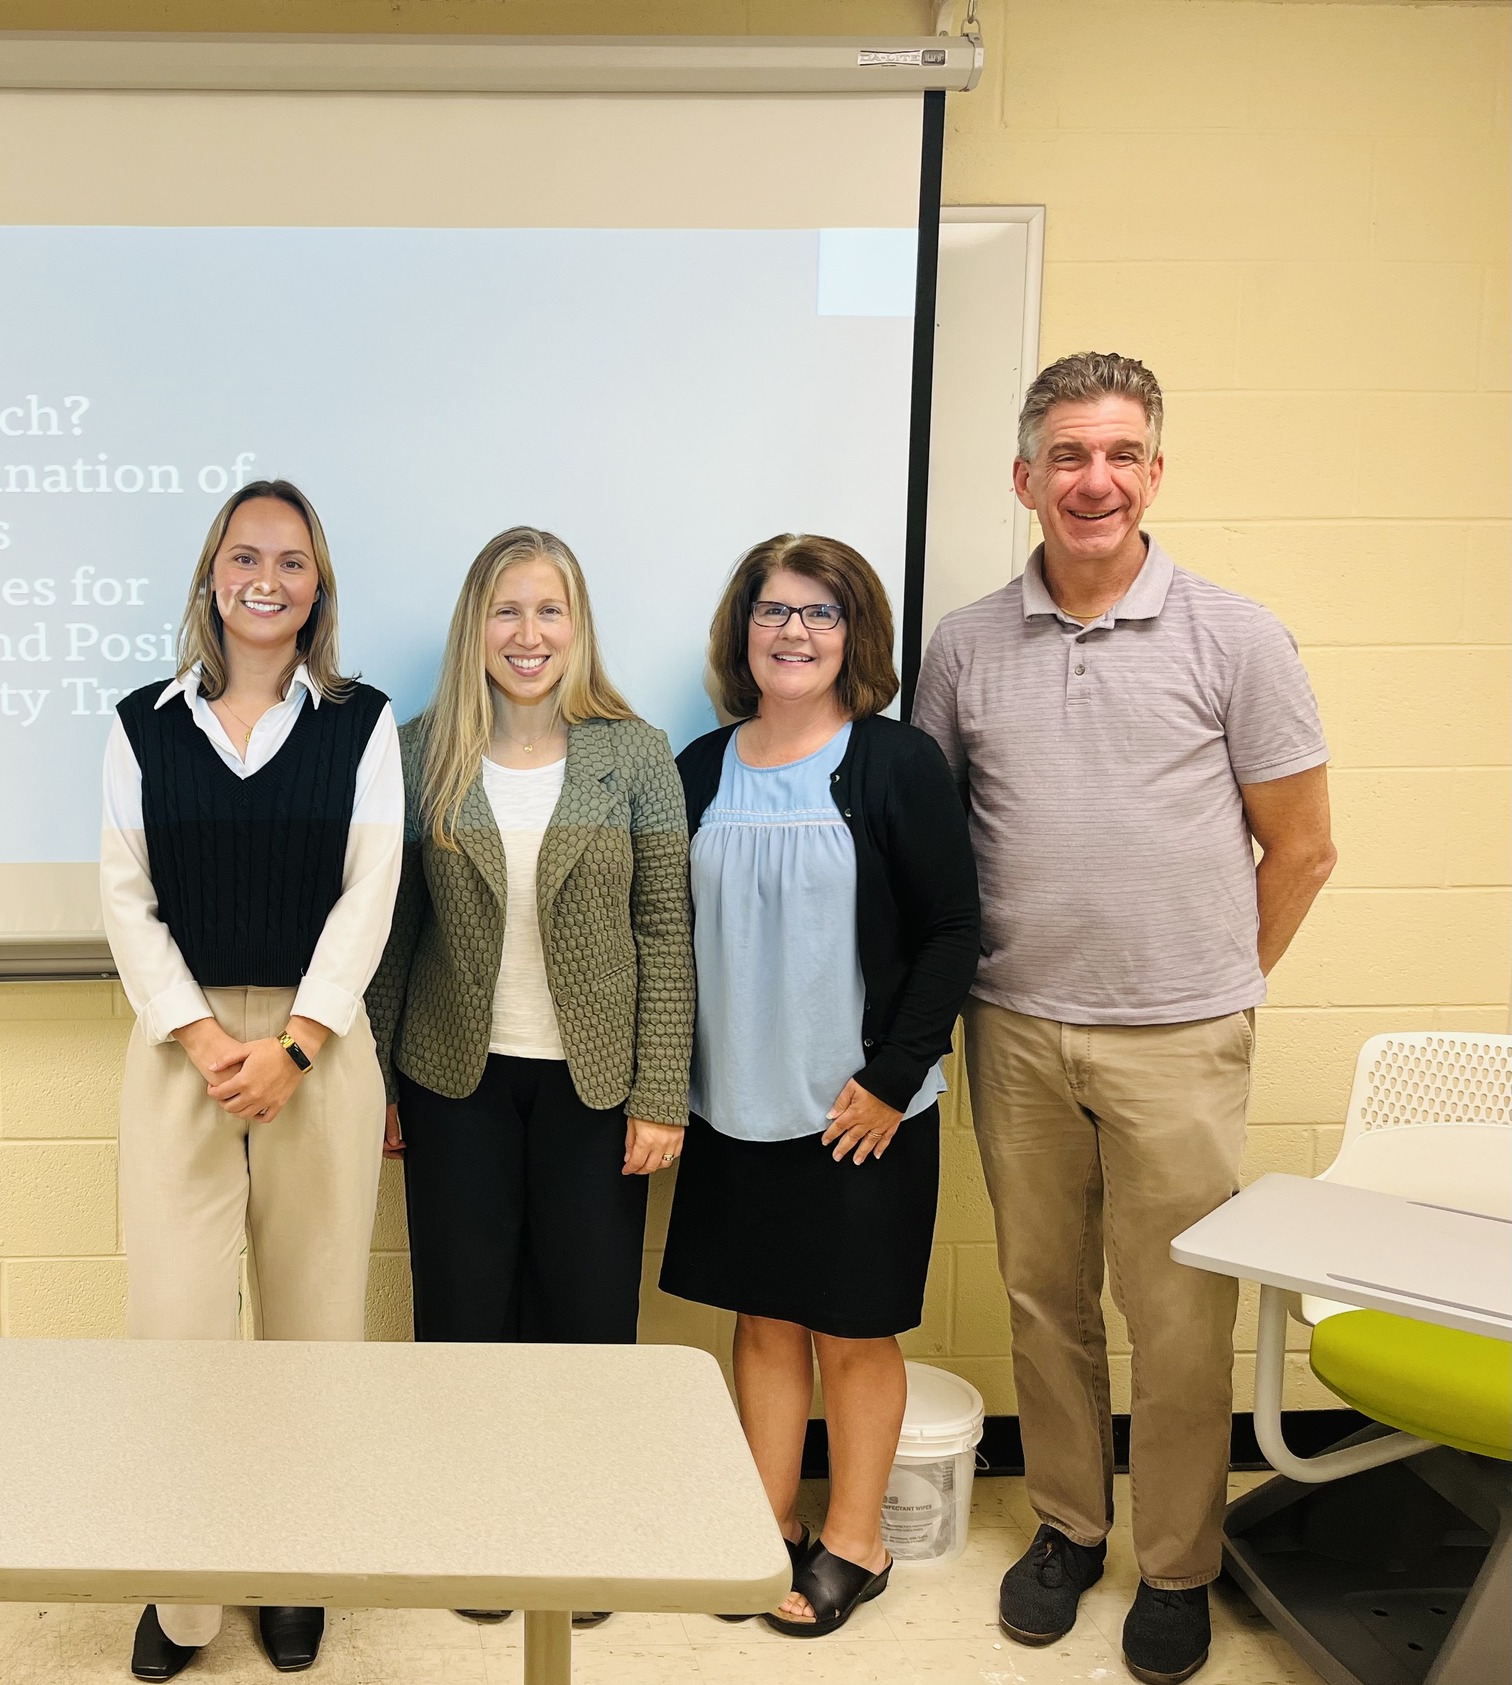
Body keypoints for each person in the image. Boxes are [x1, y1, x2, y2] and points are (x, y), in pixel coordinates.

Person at [911, 353, 1335, 1685]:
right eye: (1069, 457)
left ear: (1154, 472)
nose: (1096, 480)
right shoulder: (966, 644)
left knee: (1178, 1315)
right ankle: (1066, 1526)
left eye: (1122, 455)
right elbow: (934, 839)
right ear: (1025, 478)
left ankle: (1177, 1564)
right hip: (1019, 1030)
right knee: (1045, 1299)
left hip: (1180, 1039)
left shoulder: (1240, 636)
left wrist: (1215, 985)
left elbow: (1305, 849)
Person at [100, 479, 403, 1682]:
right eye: (242, 555)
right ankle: (180, 1596)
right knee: (174, 1328)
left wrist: (295, 1043)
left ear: (316, 583)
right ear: (211, 575)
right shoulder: (140, 722)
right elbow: (123, 899)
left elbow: (368, 891)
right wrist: (198, 1036)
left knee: (311, 1325)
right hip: (180, 1048)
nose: (264, 576)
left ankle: (294, 1574)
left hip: (314, 1048)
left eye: (289, 558)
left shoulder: (360, 721)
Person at [366, 527, 693, 1618]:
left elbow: (663, 925)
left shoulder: (630, 751)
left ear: (576, 626)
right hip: (452, 1072)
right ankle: (476, 1532)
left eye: (548, 611)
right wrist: (373, 1080)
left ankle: (582, 1534)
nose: (527, 634)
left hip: (592, 1083)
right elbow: (393, 928)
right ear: (476, 626)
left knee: (588, 1314)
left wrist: (659, 1091)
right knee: (461, 1313)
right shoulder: (421, 751)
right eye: (506, 611)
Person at [660, 533, 980, 1640]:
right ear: (739, 629)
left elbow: (949, 929)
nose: (791, 632)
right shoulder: (697, 767)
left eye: (819, 612)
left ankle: (854, 1537)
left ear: (856, 636)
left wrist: (894, 1078)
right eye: (771, 610)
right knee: (762, 1321)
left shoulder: (893, 762)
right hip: (733, 1100)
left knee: (850, 1329)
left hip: (860, 1109)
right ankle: (759, 1526)